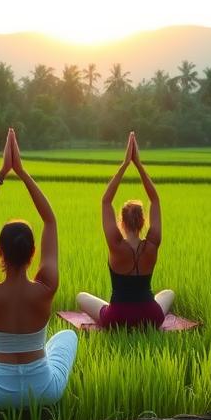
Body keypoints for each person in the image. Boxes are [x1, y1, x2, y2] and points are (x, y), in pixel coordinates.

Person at [0, 128, 78, 408]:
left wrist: (1, 174)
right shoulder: (46, 286)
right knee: (67, 335)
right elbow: (50, 221)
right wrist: (22, 172)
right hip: (44, 392)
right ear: (34, 253)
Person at [76, 132, 175, 329]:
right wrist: (138, 164)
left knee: (81, 297)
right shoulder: (153, 243)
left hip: (117, 317)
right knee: (169, 293)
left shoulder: (115, 245)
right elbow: (155, 200)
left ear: (121, 221)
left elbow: (106, 201)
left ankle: (108, 310)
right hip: (151, 316)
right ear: (142, 221)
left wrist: (124, 164)